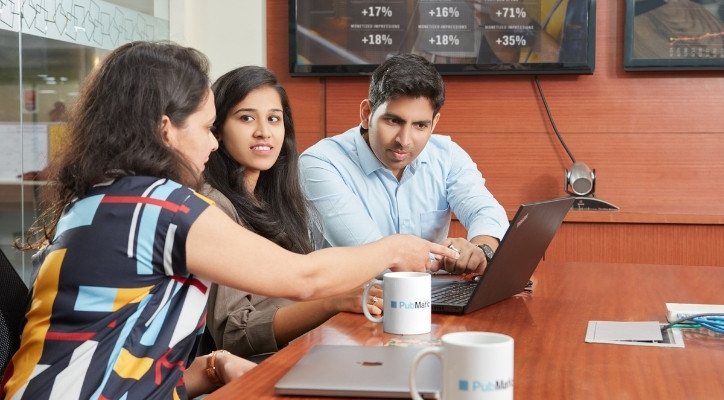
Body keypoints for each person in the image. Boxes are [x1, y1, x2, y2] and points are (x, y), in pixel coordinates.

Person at [0, 41, 457, 400]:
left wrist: (213, 368)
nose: (214, 145)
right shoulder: (162, 206)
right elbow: (303, 278)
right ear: (166, 130)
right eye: (205, 128)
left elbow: (126, 352)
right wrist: (396, 247)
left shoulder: (104, 197)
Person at [201, 66, 382, 358]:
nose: (264, 132)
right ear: (217, 129)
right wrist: (333, 301)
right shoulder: (214, 206)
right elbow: (235, 333)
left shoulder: (276, 199)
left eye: (274, 118)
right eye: (246, 118)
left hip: (300, 351)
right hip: (250, 371)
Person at [299, 53, 508, 277]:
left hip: (428, 298)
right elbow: (372, 256)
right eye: (393, 121)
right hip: (354, 303)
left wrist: (480, 249)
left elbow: (486, 211)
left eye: (420, 125)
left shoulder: (446, 156)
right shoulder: (321, 163)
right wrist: (456, 258)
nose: (404, 140)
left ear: (434, 123)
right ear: (367, 113)